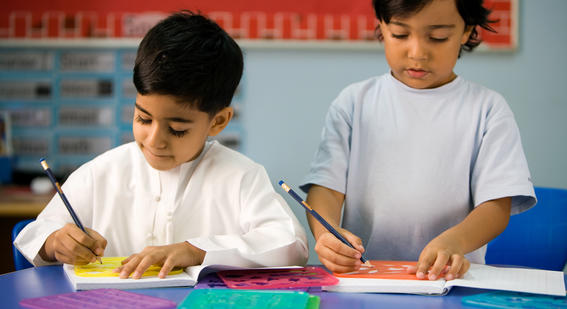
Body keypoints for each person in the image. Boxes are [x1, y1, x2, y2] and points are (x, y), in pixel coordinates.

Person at [15, 11, 308, 279]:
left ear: (218, 122)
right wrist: (55, 243)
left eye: (177, 129)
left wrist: (195, 250)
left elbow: (290, 244)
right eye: (143, 119)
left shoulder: (241, 176)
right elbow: (34, 235)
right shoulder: (101, 172)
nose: (154, 140)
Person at [300, 0, 535, 281]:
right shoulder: (354, 102)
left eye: (438, 37)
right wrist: (328, 234)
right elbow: (326, 187)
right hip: (365, 278)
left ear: (466, 31)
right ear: (382, 27)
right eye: (400, 34)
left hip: (448, 280)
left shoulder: (487, 109)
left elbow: (496, 205)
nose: (417, 53)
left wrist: (455, 242)